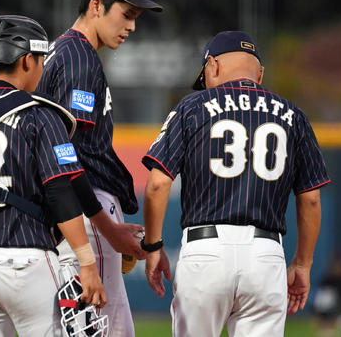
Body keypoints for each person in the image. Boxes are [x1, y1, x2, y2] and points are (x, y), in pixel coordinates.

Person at [140, 31, 331, 337]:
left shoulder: (192, 107)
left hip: (206, 251)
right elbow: (310, 199)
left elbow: (157, 185)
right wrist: (303, 264)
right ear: (260, 74)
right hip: (266, 255)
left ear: (212, 66)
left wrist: (153, 245)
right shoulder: (295, 116)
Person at [0, 15, 107, 336]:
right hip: (25, 261)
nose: (42, 68)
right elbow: (61, 194)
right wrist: (87, 262)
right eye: (40, 60)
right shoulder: (39, 114)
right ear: (27, 60)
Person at [37, 0, 163, 336]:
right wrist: (107, 227)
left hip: (71, 212)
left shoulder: (61, 52)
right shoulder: (79, 60)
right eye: (126, 13)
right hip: (87, 211)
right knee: (112, 329)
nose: (132, 26)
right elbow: (66, 151)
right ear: (96, 6)